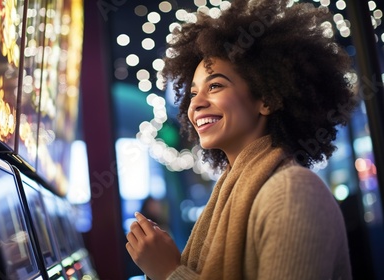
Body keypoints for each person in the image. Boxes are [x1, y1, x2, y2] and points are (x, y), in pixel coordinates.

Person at [125, 0, 356, 279]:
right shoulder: (231, 191)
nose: (194, 104)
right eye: (193, 92)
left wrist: (169, 272)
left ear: (267, 98)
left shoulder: (292, 192)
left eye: (215, 86)